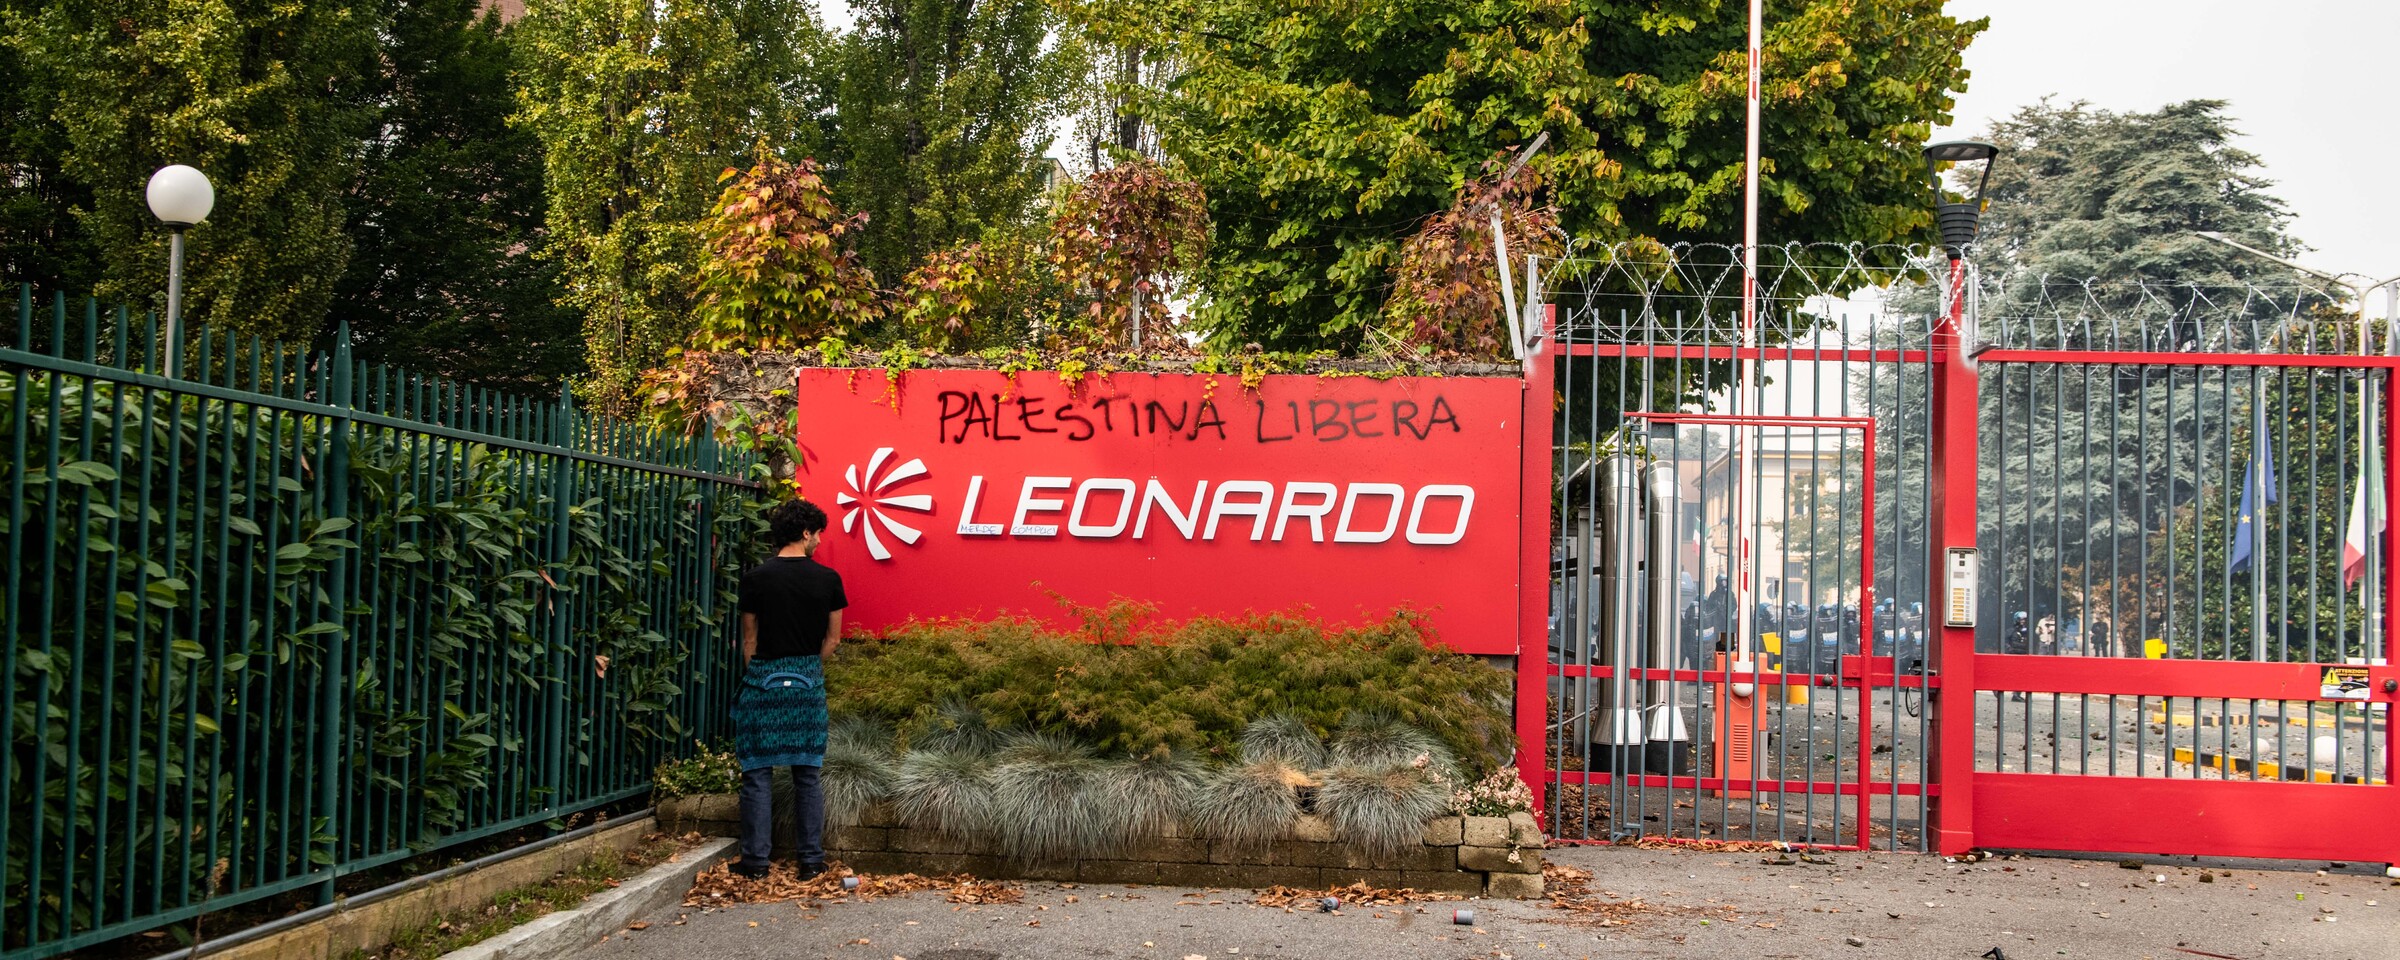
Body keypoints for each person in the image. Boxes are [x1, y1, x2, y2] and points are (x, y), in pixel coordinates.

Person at [731, 500, 848, 879]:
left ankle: (754, 864)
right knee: (807, 774)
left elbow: (749, 641)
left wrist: (765, 673)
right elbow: (832, 640)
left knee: (757, 772)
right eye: (817, 534)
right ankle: (811, 862)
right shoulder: (828, 579)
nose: (818, 541)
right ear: (804, 533)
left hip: (762, 679)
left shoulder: (755, 579)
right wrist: (805, 669)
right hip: (807, 680)